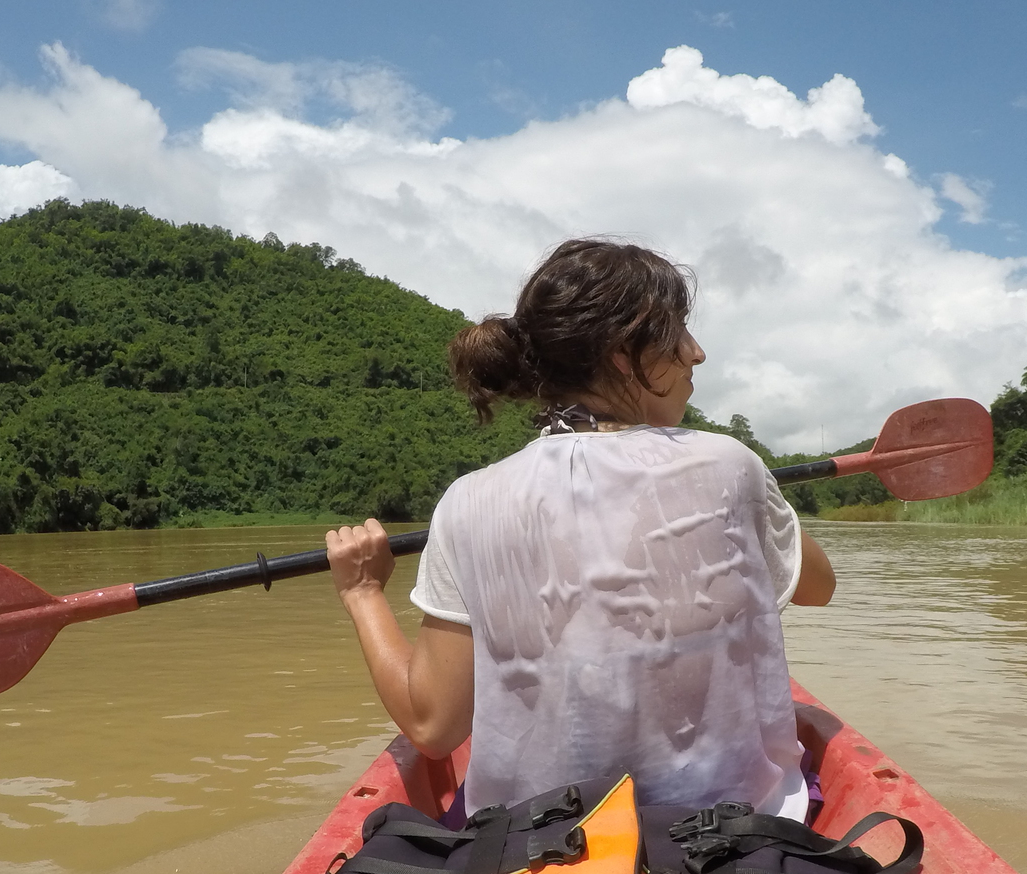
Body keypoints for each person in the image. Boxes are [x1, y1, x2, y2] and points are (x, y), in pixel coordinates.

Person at [325, 239, 834, 820]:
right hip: (732, 838)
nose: (697, 354)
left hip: (538, 849)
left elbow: (433, 727)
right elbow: (818, 587)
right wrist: (760, 502)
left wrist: (362, 592)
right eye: (677, 333)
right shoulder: (729, 464)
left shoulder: (467, 501)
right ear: (624, 353)